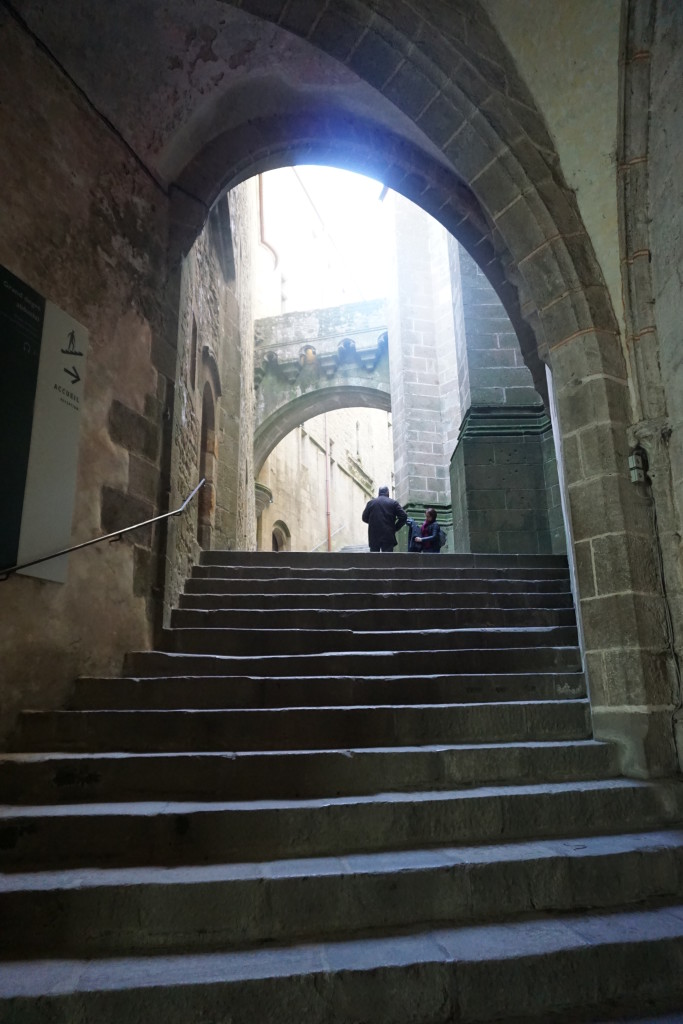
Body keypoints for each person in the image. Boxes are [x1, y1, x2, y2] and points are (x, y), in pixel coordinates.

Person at [362, 486, 407, 552]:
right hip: (388, 534)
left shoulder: (371, 503)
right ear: (388, 492)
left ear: (379, 493)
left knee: (374, 559)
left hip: (374, 535)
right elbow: (404, 516)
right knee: (387, 559)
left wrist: (374, 523)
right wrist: (395, 527)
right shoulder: (393, 503)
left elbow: (364, 518)